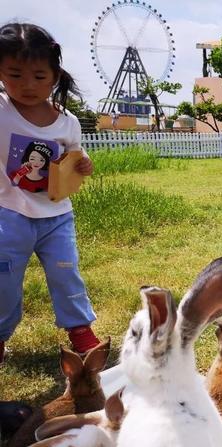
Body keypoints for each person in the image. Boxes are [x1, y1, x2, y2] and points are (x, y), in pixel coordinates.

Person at [0, 23, 107, 365]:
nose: (27, 85)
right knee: (4, 280)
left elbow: (75, 155)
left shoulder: (67, 122)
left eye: (38, 76)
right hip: (8, 215)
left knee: (65, 272)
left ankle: (80, 331)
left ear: (55, 76)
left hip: (56, 217)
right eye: (15, 75)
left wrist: (84, 163)